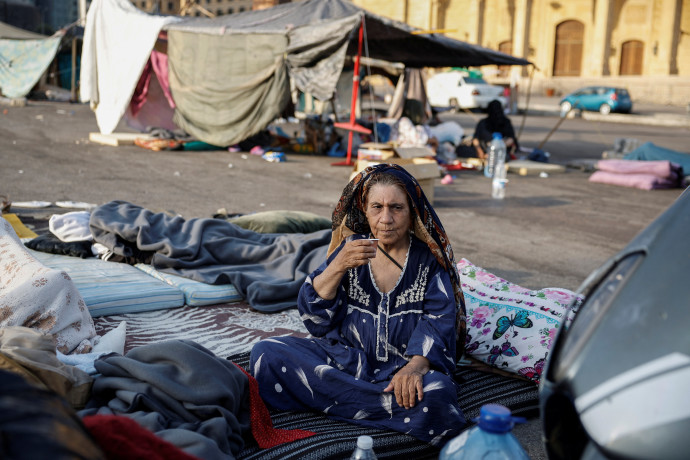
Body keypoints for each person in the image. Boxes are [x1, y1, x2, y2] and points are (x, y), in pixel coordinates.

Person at [250, 163, 468, 447]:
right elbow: (315, 320)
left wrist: (415, 367)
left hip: (399, 372)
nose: (386, 218)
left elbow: (439, 321)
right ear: (364, 210)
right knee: (266, 354)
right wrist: (337, 266)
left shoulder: (428, 261)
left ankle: (339, 402)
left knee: (437, 395)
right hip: (345, 361)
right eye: (377, 207)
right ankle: (383, 410)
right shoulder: (351, 249)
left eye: (397, 208)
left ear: (412, 211)